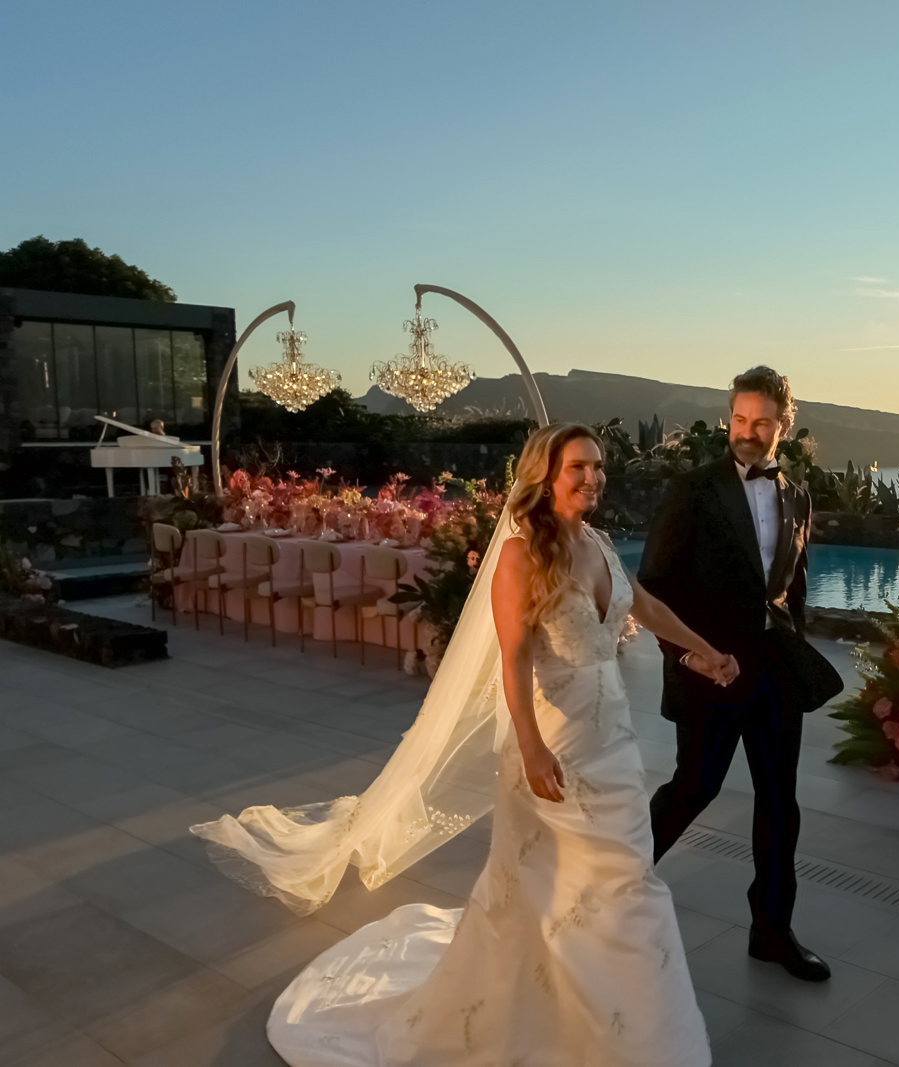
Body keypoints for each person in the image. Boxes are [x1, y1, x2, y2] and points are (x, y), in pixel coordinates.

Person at [197, 424, 733, 1066]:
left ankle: (621, 1025)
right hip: (553, 742)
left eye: (598, 467)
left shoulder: (598, 542)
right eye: (578, 467)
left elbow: (643, 604)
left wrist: (701, 650)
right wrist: (531, 748)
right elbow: (513, 662)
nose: (593, 478)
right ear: (546, 475)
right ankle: (590, 1027)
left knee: (621, 881)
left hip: (613, 742)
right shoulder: (520, 556)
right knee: (575, 888)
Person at [641, 366, 842, 984]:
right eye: (739, 420)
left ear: (784, 425)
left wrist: (796, 649)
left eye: (761, 423)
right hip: (709, 669)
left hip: (774, 669)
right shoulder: (691, 489)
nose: (747, 433)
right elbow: (652, 589)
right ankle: (600, 895)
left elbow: (793, 586)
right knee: (691, 789)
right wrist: (687, 658)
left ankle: (772, 933)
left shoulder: (797, 494)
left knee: (781, 803)